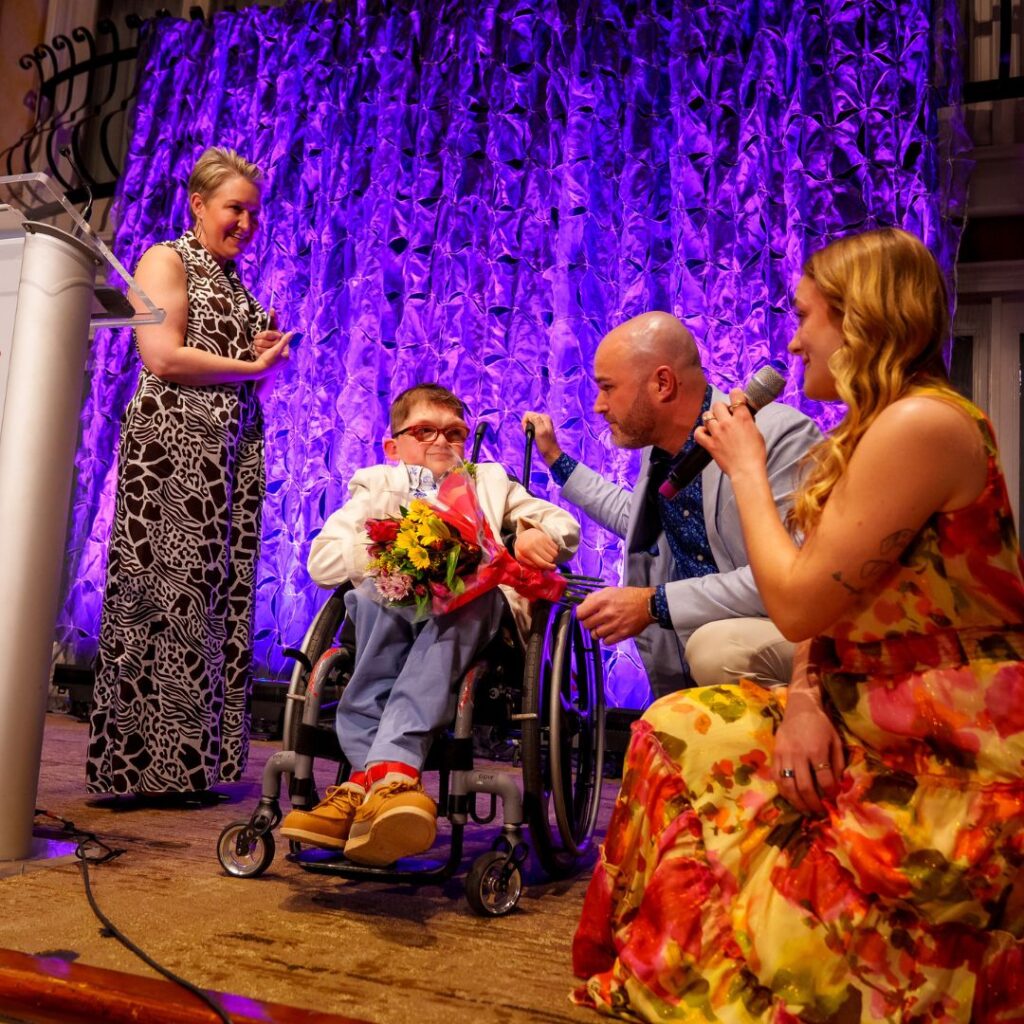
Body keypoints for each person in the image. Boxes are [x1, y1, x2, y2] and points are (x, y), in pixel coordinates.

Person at [572, 228, 1024, 1023]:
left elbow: (797, 601)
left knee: (706, 742)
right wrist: (807, 695)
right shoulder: (870, 426)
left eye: (805, 313)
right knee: (672, 730)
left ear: (860, 321)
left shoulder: (923, 426)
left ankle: (775, 974)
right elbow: (831, 609)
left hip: (952, 726)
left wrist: (743, 465)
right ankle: (685, 972)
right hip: (869, 687)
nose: (791, 336)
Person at [279, 383, 580, 866]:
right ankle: (383, 784)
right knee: (375, 590)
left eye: (454, 432)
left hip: (474, 620)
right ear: (393, 445)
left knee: (466, 597)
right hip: (389, 619)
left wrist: (532, 536)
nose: (441, 442)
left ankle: (366, 781)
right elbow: (323, 561)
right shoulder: (375, 484)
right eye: (424, 431)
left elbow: (565, 526)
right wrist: (393, 553)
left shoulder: (490, 480)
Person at [87, 147, 293, 797]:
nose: (247, 223)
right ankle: (137, 765)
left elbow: (229, 365)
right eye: (236, 208)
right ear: (199, 205)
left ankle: (189, 764)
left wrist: (261, 356)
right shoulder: (165, 259)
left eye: (254, 213)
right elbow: (165, 356)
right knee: (161, 600)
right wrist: (252, 369)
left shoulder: (232, 281)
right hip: (171, 452)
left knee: (209, 606)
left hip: (222, 456)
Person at [523, 313, 819, 697]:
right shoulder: (663, 450)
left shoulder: (774, 435)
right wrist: (556, 460)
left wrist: (652, 603)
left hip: (792, 640)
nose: (598, 406)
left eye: (608, 388)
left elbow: (787, 580)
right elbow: (638, 520)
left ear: (662, 383)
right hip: (702, 653)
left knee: (715, 648)